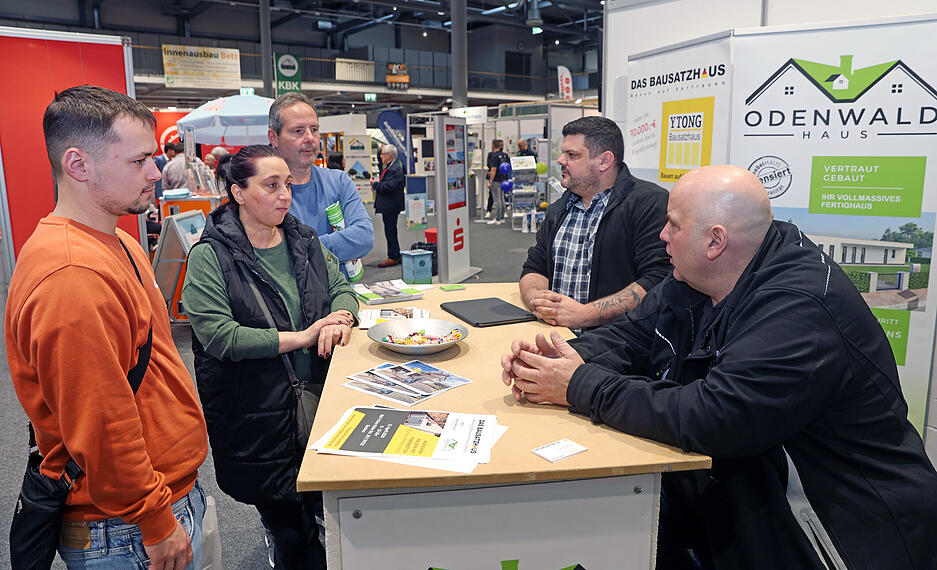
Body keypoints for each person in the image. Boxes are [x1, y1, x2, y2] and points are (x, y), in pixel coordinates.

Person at [501, 164, 937, 570]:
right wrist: (561, 358)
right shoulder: (697, 276)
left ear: (715, 241)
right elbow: (632, 335)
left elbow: (713, 416)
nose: (661, 235)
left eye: (673, 224)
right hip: (751, 509)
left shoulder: (799, 311)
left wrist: (579, 385)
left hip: (838, 533)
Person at [5, 85, 208, 569]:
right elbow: (101, 424)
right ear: (78, 165)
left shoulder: (116, 241)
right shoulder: (72, 276)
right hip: (127, 530)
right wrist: (156, 522)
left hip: (155, 505)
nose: (156, 173)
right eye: (139, 161)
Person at [181, 145, 358, 569]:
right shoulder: (210, 257)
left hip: (319, 403)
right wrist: (302, 337)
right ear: (238, 192)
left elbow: (342, 287)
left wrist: (342, 318)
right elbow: (220, 336)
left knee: (333, 520)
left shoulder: (303, 240)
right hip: (257, 413)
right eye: (270, 185)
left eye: (287, 186)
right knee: (292, 535)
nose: (284, 195)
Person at [519, 116, 670, 332]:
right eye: (563, 153)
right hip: (554, 337)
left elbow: (658, 280)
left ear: (604, 161)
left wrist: (585, 315)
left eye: (572, 155)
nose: (561, 160)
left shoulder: (647, 203)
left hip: (614, 347)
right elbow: (534, 267)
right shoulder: (560, 208)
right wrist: (537, 299)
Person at [268, 92, 373, 279]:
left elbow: (364, 237)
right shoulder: (264, 191)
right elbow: (273, 257)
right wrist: (338, 246)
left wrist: (303, 247)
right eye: (298, 131)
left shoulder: (339, 181)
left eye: (314, 129)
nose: (310, 138)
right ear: (274, 138)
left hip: (342, 300)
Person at [371, 144, 405, 267]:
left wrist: (374, 185)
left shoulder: (394, 169)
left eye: (383, 154)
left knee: (390, 230)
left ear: (389, 155)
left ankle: (393, 256)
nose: (380, 156)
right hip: (390, 205)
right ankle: (396, 253)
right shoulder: (392, 167)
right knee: (391, 230)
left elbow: (389, 186)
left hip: (391, 205)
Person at [485, 139, 510, 222]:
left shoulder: (494, 156)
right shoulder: (505, 155)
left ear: (493, 145)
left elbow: (493, 169)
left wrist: (490, 181)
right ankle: (502, 216)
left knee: (497, 199)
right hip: (503, 179)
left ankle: (497, 218)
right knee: (502, 198)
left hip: (496, 180)